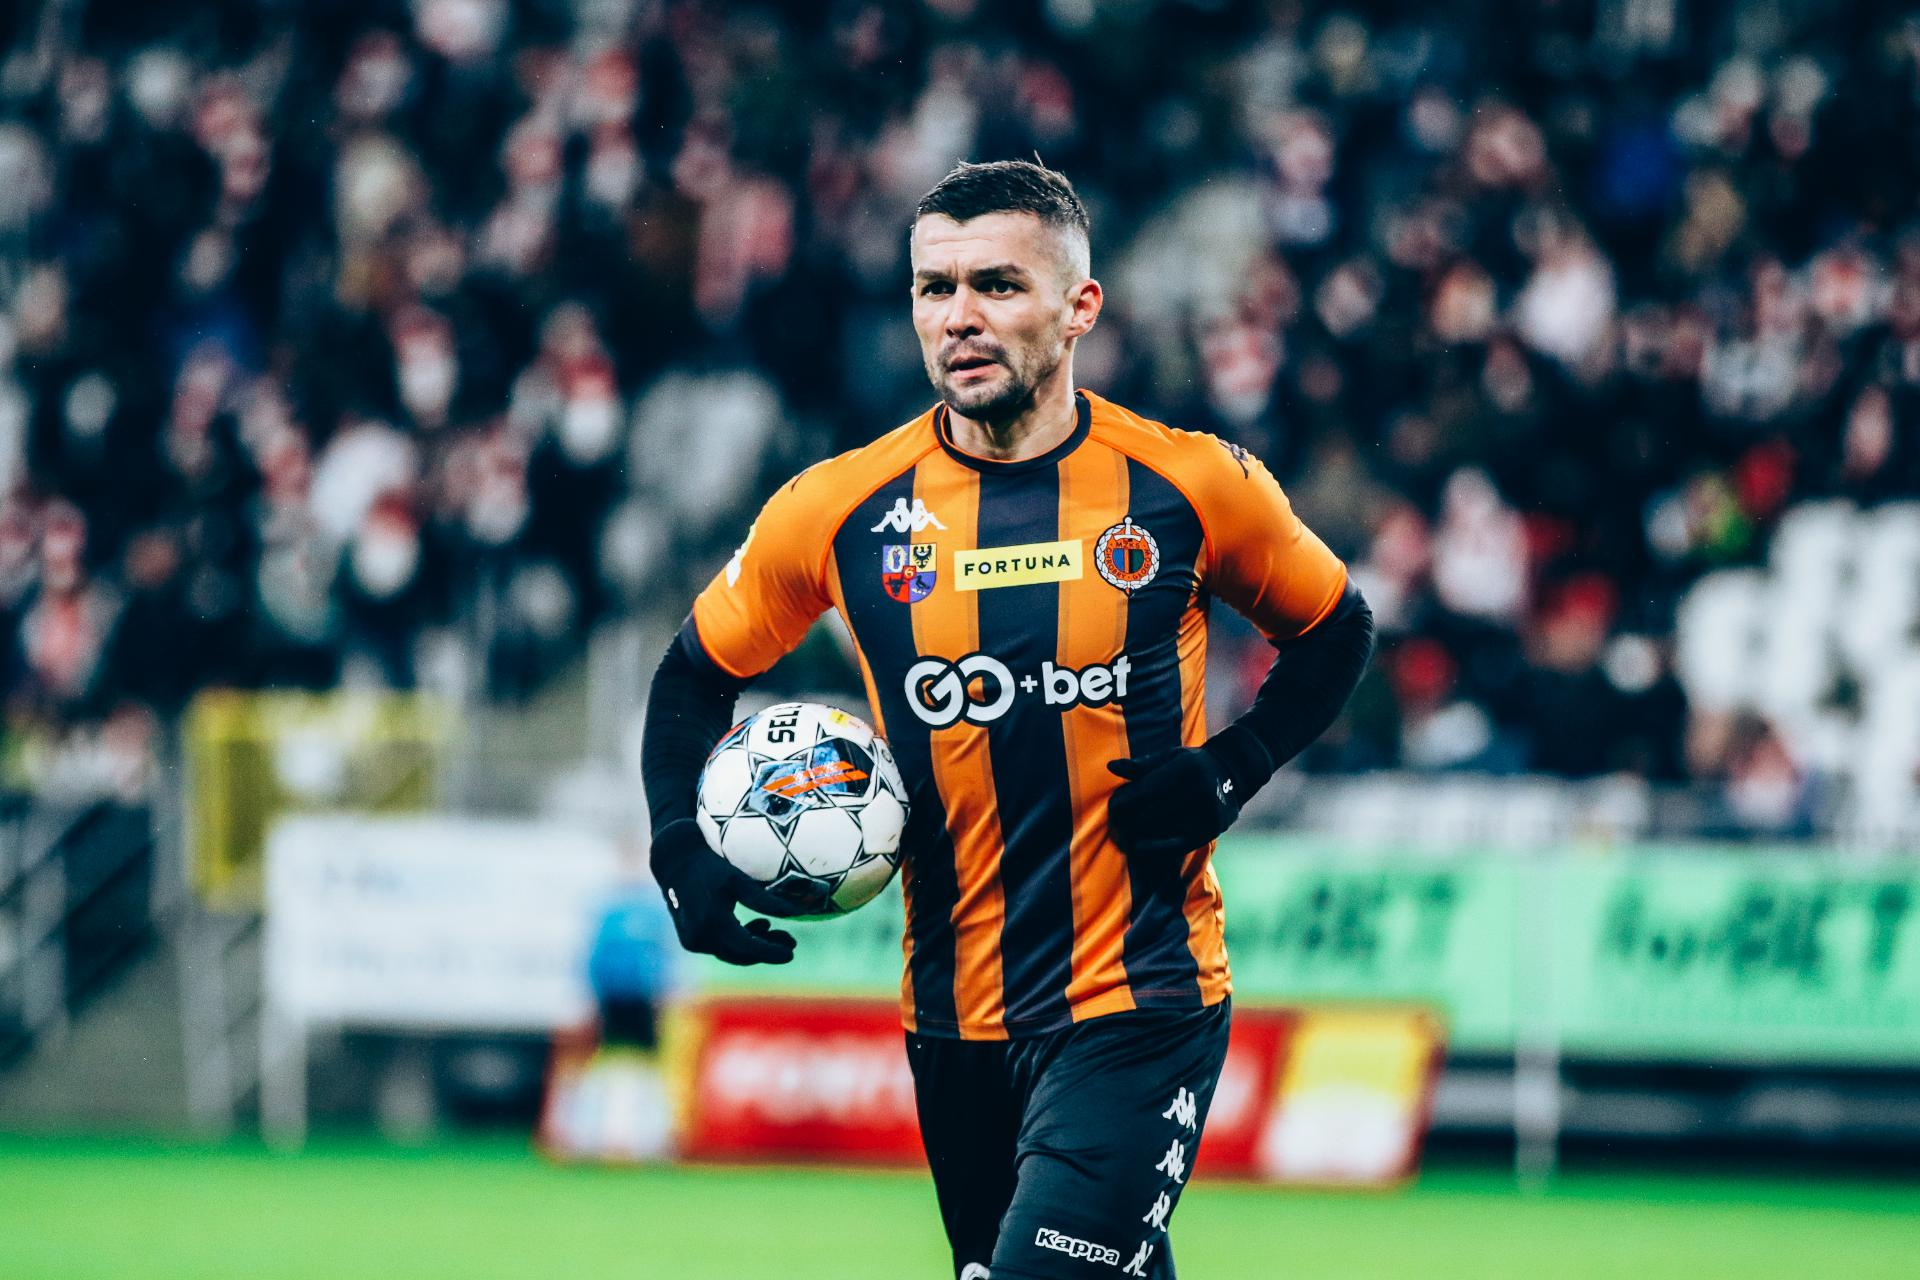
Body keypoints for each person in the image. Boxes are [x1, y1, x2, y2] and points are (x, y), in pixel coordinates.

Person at [641, 160, 1373, 1279]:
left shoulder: (1187, 484)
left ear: (1080, 307)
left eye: (997, 284)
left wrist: (1235, 765)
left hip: (1142, 995)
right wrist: (677, 845)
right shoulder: (839, 509)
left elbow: (1336, 628)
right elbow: (692, 676)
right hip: (953, 1022)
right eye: (934, 288)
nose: (959, 316)